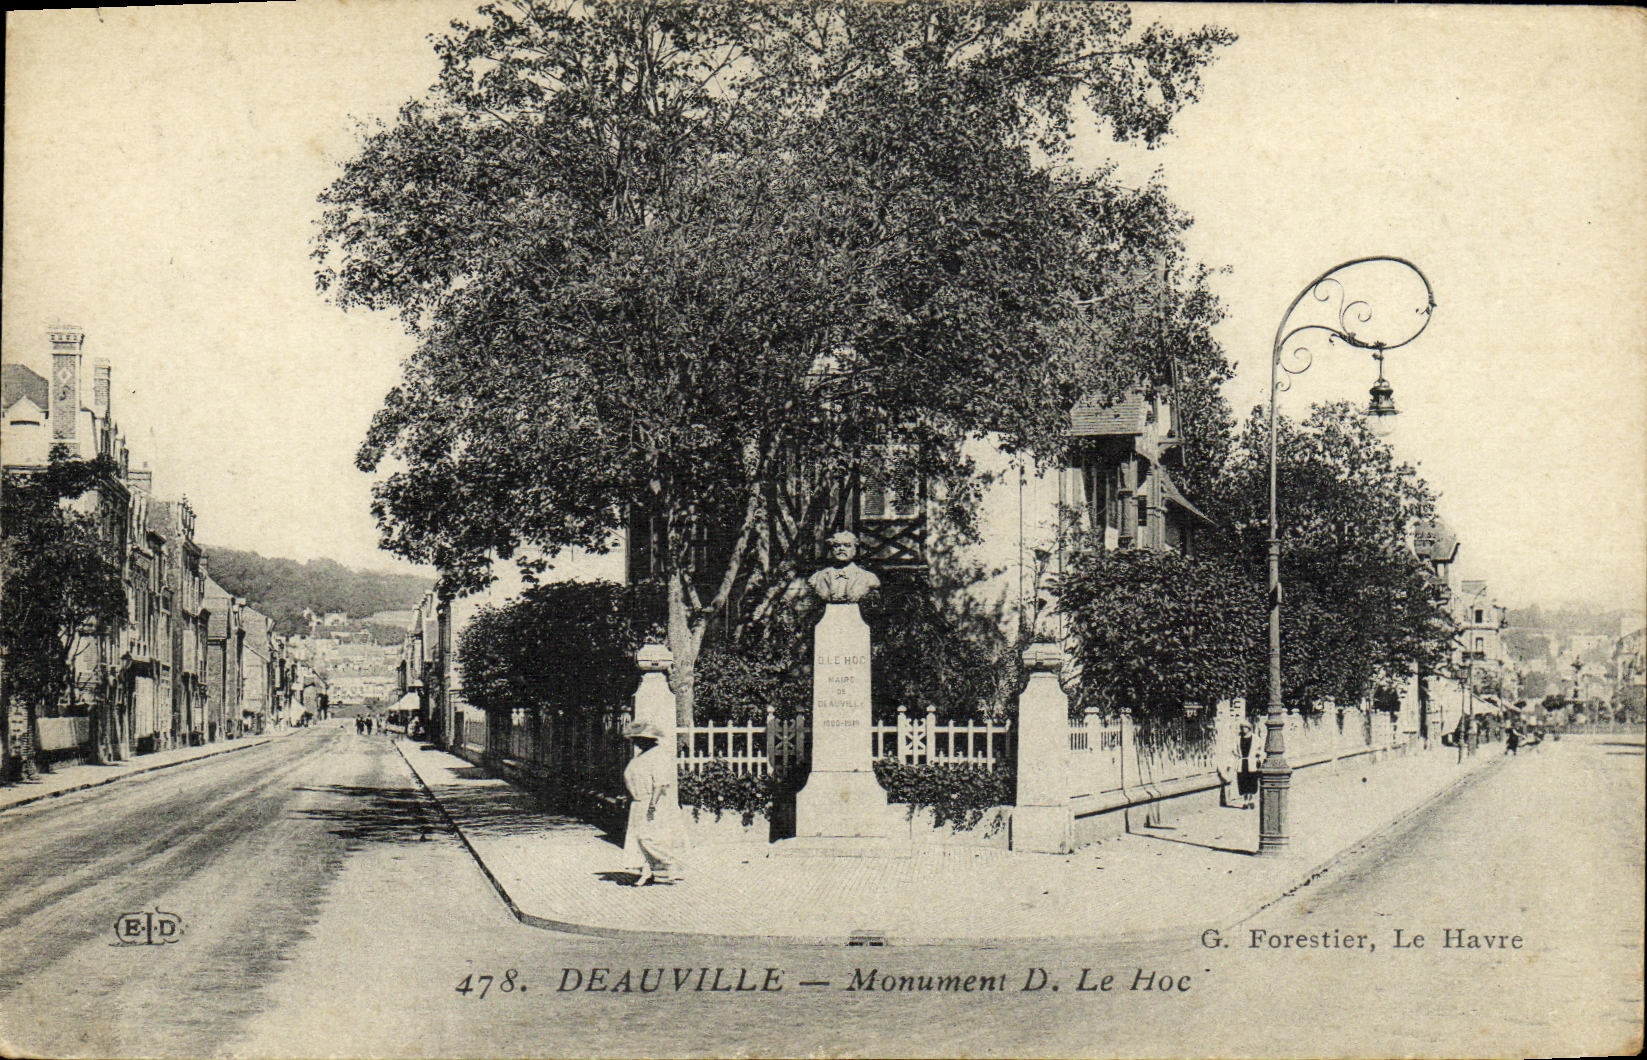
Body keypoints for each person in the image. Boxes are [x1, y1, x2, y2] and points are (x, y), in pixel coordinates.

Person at [622, 720, 685, 886]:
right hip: (638, 801)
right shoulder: (640, 756)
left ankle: (670, 862)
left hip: (651, 801)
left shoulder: (658, 755)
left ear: (648, 739)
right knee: (637, 839)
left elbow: (659, 782)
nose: (635, 742)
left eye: (638, 739)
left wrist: (652, 805)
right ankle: (646, 871)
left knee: (648, 838)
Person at [807, 531, 881, 604]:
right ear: (831, 549)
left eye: (847, 545)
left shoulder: (869, 577)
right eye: (837, 546)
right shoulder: (817, 577)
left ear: (854, 549)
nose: (841, 549)